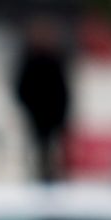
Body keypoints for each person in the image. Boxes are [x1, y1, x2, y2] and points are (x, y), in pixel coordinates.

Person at [10, 13, 72, 183]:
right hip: (37, 117)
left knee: (52, 151)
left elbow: (63, 91)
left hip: (52, 117)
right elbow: (20, 88)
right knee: (39, 150)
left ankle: (50, 175)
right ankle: (41, 176)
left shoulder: (54, 60)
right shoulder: (31, 60)